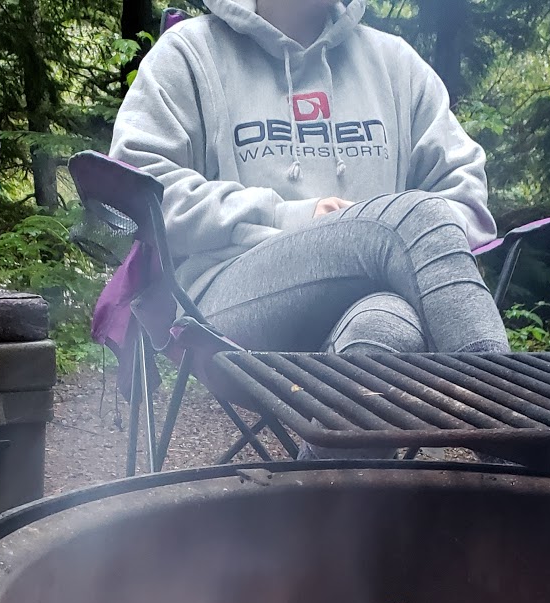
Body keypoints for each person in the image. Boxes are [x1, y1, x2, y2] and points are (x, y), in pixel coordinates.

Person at [109, 0, 510, 357]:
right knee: (415, 217)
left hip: (377, 298)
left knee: (386, 330)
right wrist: (294, 217)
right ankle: (511, 424)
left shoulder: (395, 64)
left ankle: (506, 434)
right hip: (224, 301)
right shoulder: (190, 53)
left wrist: (393, 240)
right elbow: (139, 192)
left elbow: (464, 195)